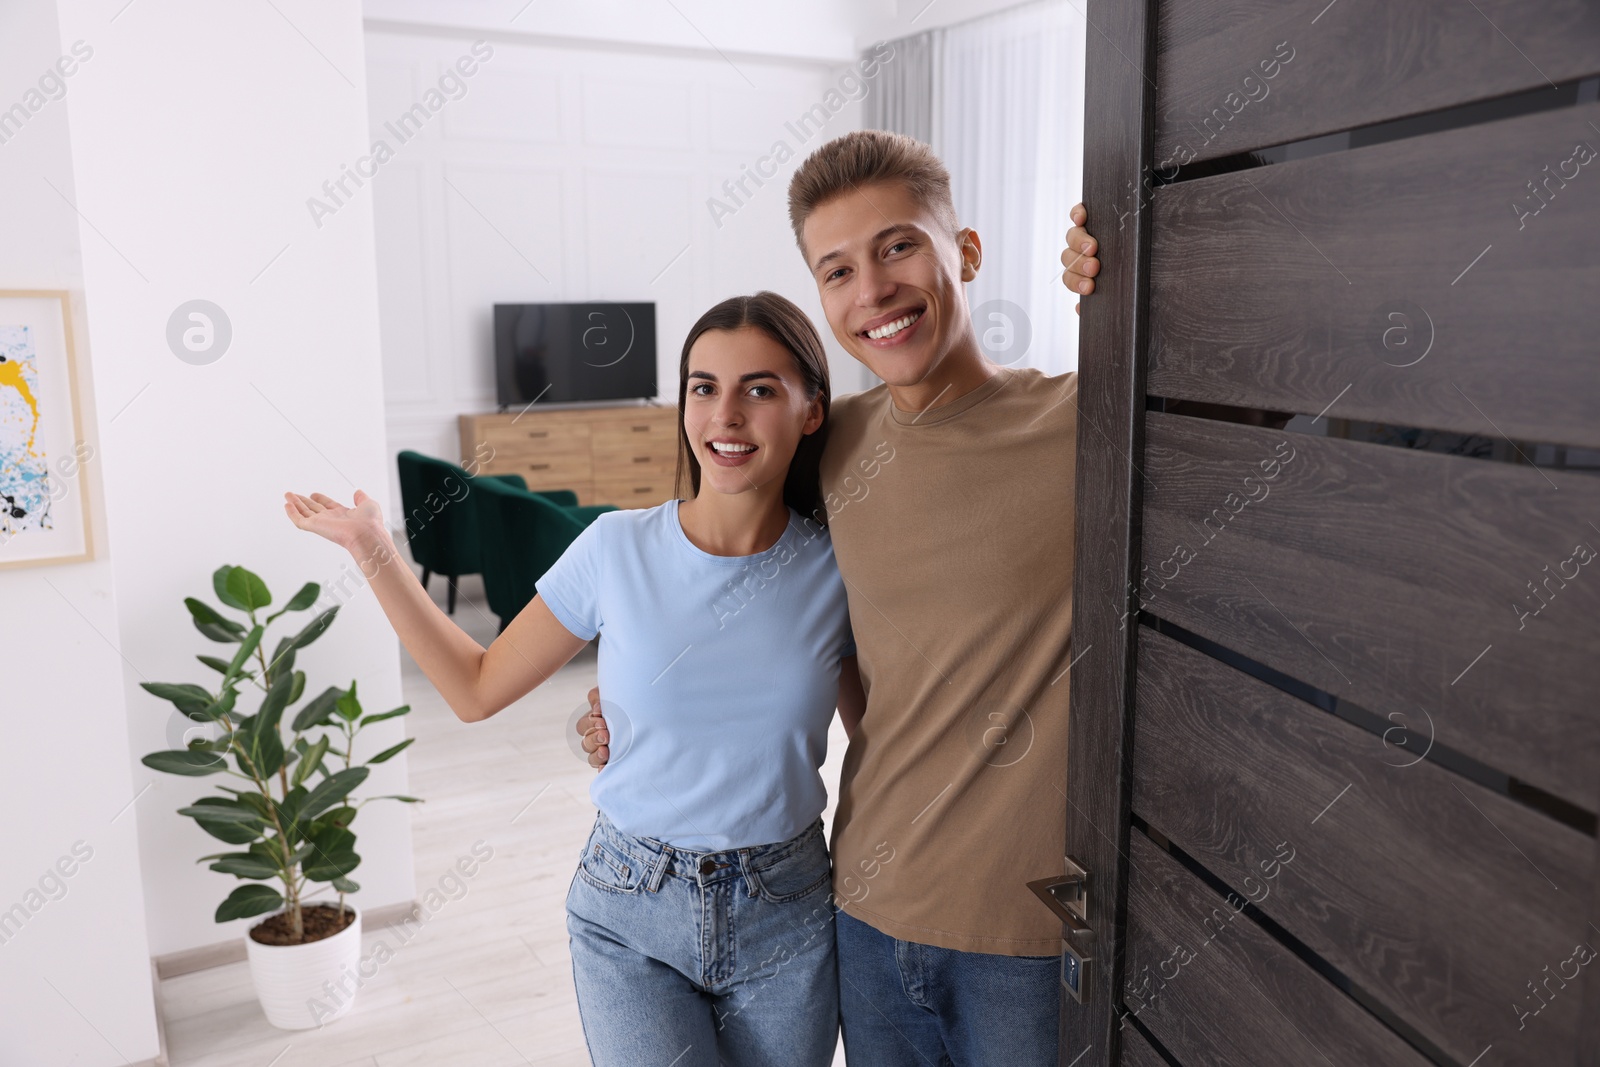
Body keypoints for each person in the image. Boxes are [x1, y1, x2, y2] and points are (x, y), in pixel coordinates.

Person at [580, 130, 1104, 1066]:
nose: (872, 291)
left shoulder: (1082, 424)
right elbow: (716, 567)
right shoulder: (830, 445)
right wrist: (625, 699)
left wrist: (1149, 271)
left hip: (1024, 936)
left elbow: (1257, 400)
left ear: (966, 251)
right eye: (837, 270)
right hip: (860, 912)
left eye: (898, 246)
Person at [284, 291, 865, 1067]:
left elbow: (884, 745)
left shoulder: (839, 569)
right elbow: (476, 687)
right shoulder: (614, 548)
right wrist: (375, 552)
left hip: (786, 910)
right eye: (703, 387)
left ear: (811, 410)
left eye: (759, 389)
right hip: (632, 908)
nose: (724, 415)